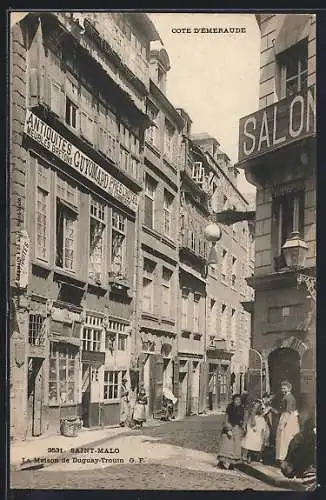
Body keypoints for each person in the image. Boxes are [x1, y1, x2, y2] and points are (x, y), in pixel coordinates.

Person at [217, 394, 245, 470]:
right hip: (229, 427)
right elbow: (226, 419)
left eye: (239, 400)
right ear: (233, 400)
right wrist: (228, 429)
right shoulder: (230, 408)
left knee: (235, 447)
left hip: (237, 429)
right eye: (236, 400)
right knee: (226, 446)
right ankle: (221, 462)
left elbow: (241, 420)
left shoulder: (241, 409)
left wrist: (243, 427)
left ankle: (232, 464)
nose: (238, 401)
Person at [275, 380, 300, 466]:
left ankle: (284, 459)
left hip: (288, 418)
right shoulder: (287, 397)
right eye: (282, 388)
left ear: (289, 388)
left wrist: (283, 424)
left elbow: (288, 411)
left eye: (284, 388)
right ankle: (284, 459)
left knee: (285, 438)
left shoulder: (289, 398)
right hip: (288, 416)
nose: (282, 390)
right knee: (284, 438)